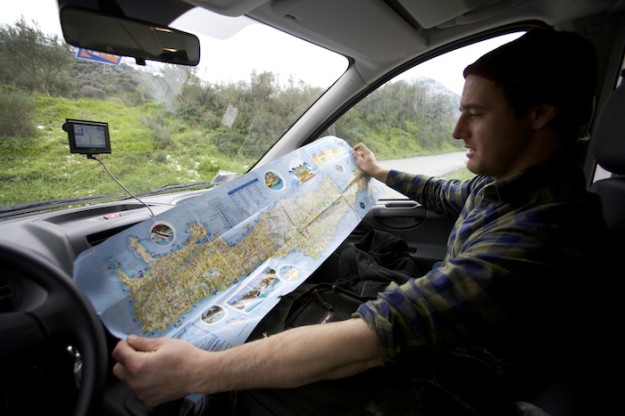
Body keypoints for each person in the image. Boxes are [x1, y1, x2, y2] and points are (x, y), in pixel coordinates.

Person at [112, 28, 607, 415]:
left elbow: (376, 338)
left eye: (475, 114)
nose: (458, 131)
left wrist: (200, 371)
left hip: (470, 382)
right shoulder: (507, 186)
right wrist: (379, 171)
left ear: (539, 114)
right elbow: (446, 192)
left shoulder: (544, 235)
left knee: (263, 394)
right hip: (449, 339)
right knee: (343, 264)